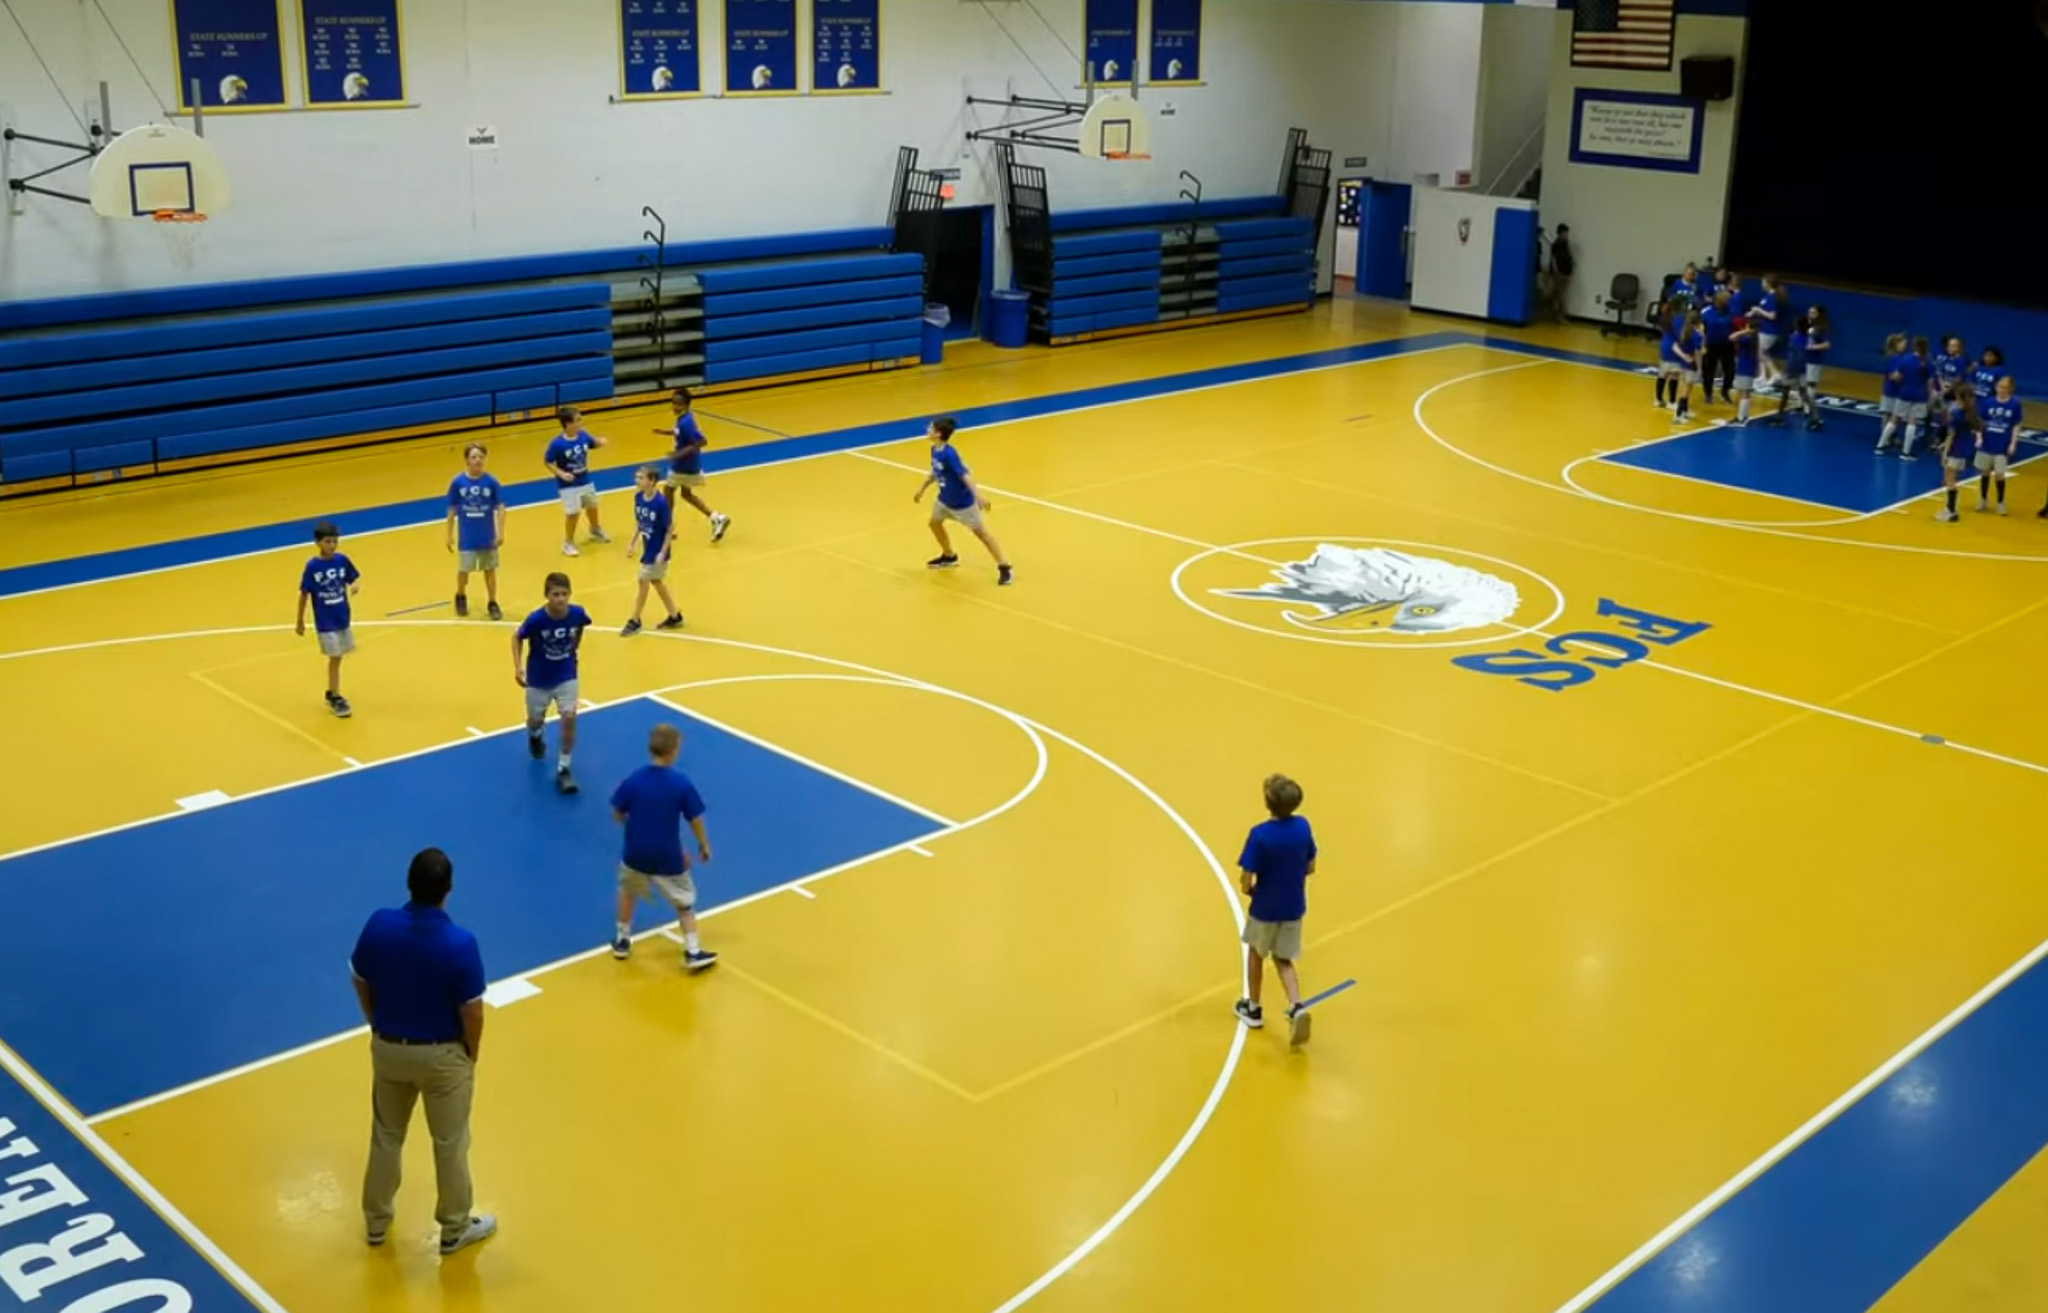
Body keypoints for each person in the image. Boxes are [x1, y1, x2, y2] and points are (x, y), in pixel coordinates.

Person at [350, 847, 497, 1257]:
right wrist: (471, 1053)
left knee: (386, 1135)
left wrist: (376, 1021)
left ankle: (376, 1221)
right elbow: (472, 1011)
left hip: (389, 1049)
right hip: (442, 1058)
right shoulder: (460, 944)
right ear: (448, 889)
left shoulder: (379, 925)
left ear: (409, 883)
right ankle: (454, 1228)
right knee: (450, 1143)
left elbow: (360, 978)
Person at [609, 723, 719, 971]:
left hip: (635, 852)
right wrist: (703, 845)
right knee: (684, 903)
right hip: (668, 856)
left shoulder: (634, 780)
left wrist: (635, 829)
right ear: (673, 750)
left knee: (628, 891)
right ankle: (692, 951)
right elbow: (695, 819)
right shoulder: (680, 783)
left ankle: (622, 940)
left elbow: (617, 813)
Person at [1233, 773, 1317, 1048]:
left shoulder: (1260, 836)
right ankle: (1296, 1005)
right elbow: (1311, 865)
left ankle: (1253, 1008)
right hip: (1293, 907)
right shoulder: (1303, 827)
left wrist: (1249, 889)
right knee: (1284, 959)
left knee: (1256, 954)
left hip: (1265, 908)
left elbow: (1247, 877)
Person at [513, 572, 593, 794]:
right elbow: (517, 637)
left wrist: (574, 647)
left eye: (564, 594)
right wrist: (518, 667)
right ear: (546, 596)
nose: (560, 599)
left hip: (566, 673)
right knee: (535, 720)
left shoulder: (577, 614)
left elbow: (582, 626)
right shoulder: (537, 619)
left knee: (568, 717)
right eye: (555, 594)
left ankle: (564, 767)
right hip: (538, 678)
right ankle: (535, 736)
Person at [913, 417, 1013, 585]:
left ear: (938, 433)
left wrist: (977, 496)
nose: (927, 430)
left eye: (930, 428)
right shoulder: (934, 450)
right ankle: (949, 556)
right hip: (944, 500)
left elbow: (963, 475)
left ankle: (1004, 567)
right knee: (934, 523)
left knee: (982, 534)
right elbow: (935, 471)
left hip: (962, 504)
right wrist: (922, 488)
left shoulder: (950, 454)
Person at [296, 520, 361, 718]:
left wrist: (354, 585)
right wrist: (299, 620)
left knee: (339, 656)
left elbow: (354, 577)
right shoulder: (313, 567)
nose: (332, 546)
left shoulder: (342, 560)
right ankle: (334, 694)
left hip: (342, 617)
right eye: (327, 542)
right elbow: (304, 594)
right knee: (334, 657)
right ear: (318, 543)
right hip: (326, 622)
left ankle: (333, 692)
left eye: (334, 541)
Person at [655, 390, 731, 542]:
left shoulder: (686, 423)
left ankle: (667, 528)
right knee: (686, 494)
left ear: (687, 405)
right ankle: (717, 517)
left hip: (683, 465)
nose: (675, 406)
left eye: (679, 403)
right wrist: (666, 432)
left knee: (668, 490)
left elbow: (701, 441)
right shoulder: (684, 419)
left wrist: (678, 454)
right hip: (688, 465)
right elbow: (680, 433)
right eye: (674, 402)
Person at [445, 443, 505, 620]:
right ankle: (461, 595)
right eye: (473, 457)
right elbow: (452, 510)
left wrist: (501, 532)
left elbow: (501, 506)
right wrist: (449, 534)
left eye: (480, 456)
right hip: (467, 537)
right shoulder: (458, 483)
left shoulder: (491, 482)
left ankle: (493, 602)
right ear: (466, 460)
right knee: (464, 570)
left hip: (487, 535)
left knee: (490, 569)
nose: (477, 460)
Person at [623, 465, 685, 636]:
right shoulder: (638, 498)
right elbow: (640, 522)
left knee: (643, 580)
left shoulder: (660, 503)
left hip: (657, 551)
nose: (637, 481)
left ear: (652, 481)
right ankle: (675, 616)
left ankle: (634, 620)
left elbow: (670, 528)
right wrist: (632, 543)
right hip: (648, 548)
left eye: (641, 478)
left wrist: (662, 552)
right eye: (636, 477)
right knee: (656, 582)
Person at [545, 407, 608, 557]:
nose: (581, 422)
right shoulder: (557, 444)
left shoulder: (582, 435)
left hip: (584, 479)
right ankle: (568, 543)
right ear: (568, 424)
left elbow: (592, 443)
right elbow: (548, 462)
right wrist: (561, 473)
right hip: (568, 485)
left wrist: (601, 442)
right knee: (573, 513)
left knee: (592, 505)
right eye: (577, 420)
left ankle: (595, 529)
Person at [1934, 382, 1983, 523]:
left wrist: (1944, 452)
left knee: (1950, 481)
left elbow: (1951, 435)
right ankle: (1950, 510)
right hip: (1964, 451)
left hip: (1955, 450)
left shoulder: (1956, 414)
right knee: (1952, 480)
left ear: (1959, 398)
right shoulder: (1971, 413)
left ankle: (1951, 511)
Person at [1878, 336, 1933, 459]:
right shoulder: (1928, 362)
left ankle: (1880, 446)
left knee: (1894, 419)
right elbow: (1930, 383)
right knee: (1912, 422)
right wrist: (1928, 398)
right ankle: (1905, 452)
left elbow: (1897, 376)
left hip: (1903, 393)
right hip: (1919, 395)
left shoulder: (1906, 359)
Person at [1976, 375, 2023, 515]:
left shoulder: (2014, 404)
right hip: (1987, 443)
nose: (2000, 390)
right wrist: (1979, 438)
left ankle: (2000, 502)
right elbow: (1980, 422)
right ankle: (1983, 499)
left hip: (2002, 445)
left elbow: (2016, 425)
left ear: (2010, 389)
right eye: (1999, 386)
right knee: (1984, 472)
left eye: (2004, 387)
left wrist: (2013, 443)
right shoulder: (1988, 402)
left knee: (1999, 475)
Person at [1700, 291, 1737, 405]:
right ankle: (1708, 394)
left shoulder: (1731, 312)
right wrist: (1702, 344)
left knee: (1730, 371)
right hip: (1711, 345)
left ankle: (1725, 392)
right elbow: (1700, 328)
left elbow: (1735, 327)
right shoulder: (1706, 312)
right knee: (1708, 371)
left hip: (1727, 345)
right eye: (1726, 300)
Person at [1669, 310, 1703, 425]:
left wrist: (1684, 357)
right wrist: (1699, 367)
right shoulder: (1697, 336)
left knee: (1687, 387)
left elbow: (1674, 346)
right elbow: (1698, 353)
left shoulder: (1684, 332)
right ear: (1698, 322)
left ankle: (1685, 411)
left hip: (1684, 364)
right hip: (1692, 365)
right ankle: (1678, 415)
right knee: (1686, 390)